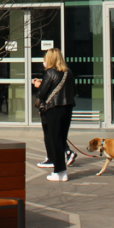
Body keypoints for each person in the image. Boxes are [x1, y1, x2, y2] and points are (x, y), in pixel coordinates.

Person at [31, 48, 75, 182]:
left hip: (54, 109)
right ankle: (61, 171)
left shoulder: (50, 73)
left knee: (54, 139)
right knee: (61, 138)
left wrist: (39, 85)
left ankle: (59, 172)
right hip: (67, 108)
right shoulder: (69, 73)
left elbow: (42, 94)